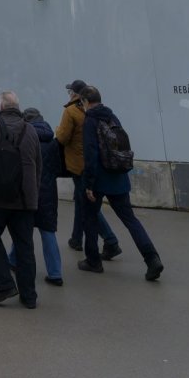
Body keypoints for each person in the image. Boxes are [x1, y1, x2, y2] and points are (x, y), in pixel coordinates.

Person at [78, 85, 163, 282]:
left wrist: (88, 184)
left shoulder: (90, 121)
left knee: (89, 218)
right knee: (130, 220)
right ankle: (152, 258)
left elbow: (90, 154)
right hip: (118, 177)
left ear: (85, 102)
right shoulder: (112, 116)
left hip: (98, 179)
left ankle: (93, 261)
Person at [0, 90, 41, 308]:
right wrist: (34, 196)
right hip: (24, 200)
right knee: (25, 245)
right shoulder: (31, 129)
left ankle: (5, 285)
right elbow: (37, 165)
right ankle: (29, 296)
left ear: (2, 107)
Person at [55, 79, 121, 260]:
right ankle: (77, 238)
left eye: (70, 92)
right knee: (80, 200)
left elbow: (62, 137)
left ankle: (110, 240)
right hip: (97, 162)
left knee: (88, 205)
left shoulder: (70, 111)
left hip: (78, 164)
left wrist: (57, 130)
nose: (69, 95)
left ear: (76, 95)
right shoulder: (96, 111)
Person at [9, 107, 62, 285]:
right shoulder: (52, 141)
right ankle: (55, 273)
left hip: (27, 189)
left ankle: (13, 260)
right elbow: (58, 168)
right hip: (48, 191)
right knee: (48, 232)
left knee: (22, 229)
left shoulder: (24, 138)